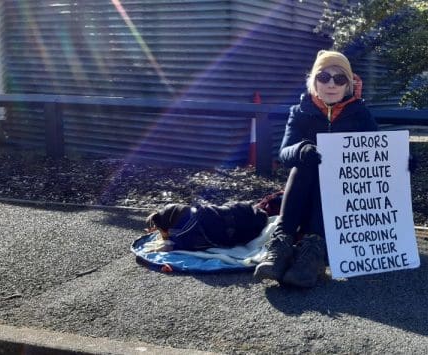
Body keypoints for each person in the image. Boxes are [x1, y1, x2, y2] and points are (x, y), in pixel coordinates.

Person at [253, 50, 378, 287]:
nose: (331, 84)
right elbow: (285, 152)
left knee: (327, 172)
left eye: (339, 79)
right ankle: (282, 243)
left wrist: (402, 162)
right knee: (304, 164)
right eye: (324, 77)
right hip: (305, 190)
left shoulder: (361, 114)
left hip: (342, 195)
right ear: (314, 81)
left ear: (348, 85)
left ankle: (314, 250)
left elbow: (377, 152)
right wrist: (301, 149)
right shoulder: (300, 112)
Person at [144, 201, 269, 253]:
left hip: (249, 222)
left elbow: (188, 243)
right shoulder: (191, 213)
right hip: (241, 211)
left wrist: (172, 246)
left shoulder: (189, 230)